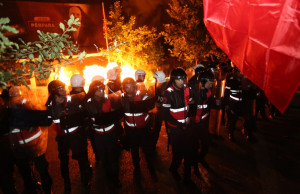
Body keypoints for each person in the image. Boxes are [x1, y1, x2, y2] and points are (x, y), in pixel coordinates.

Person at [47, 80, 91, 193]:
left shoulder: (73, 100)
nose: (64, 89)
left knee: (82, 159)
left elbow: (83, 114)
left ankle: (85, 181)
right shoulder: (50, 105)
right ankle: (66, 183)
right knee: (64, 161)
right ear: (53, 91)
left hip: (76, 135)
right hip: (62, 138)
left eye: (63, 86)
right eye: (60, 88)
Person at [6, 86, 53, 194]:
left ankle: (40, 188)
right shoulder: (22, 106)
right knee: (35, 170)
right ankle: (42, 189)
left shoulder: (12, 108)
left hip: (26, 146)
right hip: (31, 145)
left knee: (29, 171)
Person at [85, 80, 122, 188]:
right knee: (104, 159)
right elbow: (89, 117)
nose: (102, 91)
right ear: (93, 91)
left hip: (111, 134)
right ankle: (108, 179)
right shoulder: (88, 103)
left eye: (103, 88)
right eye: (99, 89)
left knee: (113, 158)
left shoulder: (109, 99)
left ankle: (115, 180)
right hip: (98, 136)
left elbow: (117, 112)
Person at [162, 67, 193, 183]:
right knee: (178, 153)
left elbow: (189, 105)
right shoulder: (168, 93)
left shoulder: (186, 89)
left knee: (189, 152)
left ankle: (187, 178)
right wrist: (179, 125)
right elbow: (165, 114)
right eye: (179, 79)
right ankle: (173, 169)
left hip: (187, 126)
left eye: (183, 78)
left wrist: (189, 116)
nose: (182, 81)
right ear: (173, 80)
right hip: (176, 129)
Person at [121, 77, 155, 177]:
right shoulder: (122, 99)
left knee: (147, 148)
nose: (129, 89)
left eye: (131, 86)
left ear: (134, 86)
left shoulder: (143, 96)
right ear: (124, 88)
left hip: (143, 128)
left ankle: (150, 165)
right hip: (130, 129)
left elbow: (151, 108)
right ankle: (136, 166)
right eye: (126, 87)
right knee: (134, 149)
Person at [189, 70, 215, 177]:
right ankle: (195, 167)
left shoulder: (209, 92)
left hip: (203, 124)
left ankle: (200, 159)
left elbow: (210, 105)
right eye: (210, 82)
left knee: (206, 144)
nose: (212, 84)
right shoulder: (194, 92)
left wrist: (217, 103)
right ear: (203, 81)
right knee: (194, 146)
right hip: (193, 125)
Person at [224, 67, 256, 142]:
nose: (241, 73)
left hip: (243, 103)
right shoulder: (231, 80)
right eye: (239, 71)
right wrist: (227, 104)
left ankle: (248, 133)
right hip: (233, 103)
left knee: (248, 119)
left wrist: (249, 88)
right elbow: (227, 93)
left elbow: (250, 92)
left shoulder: (245, 80)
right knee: (233, 120)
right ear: (235, 72)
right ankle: (231, 134)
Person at [152, 71, 168, 147]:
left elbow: (167, 100)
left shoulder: (166, 86)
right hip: (159, 110)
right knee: (156, 127)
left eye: (156, 78)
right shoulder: (159, 85)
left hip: (165, 110)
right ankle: (153, 142)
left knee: (168, 127)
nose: (155, 80)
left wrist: (160, 104)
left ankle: (173, 142)